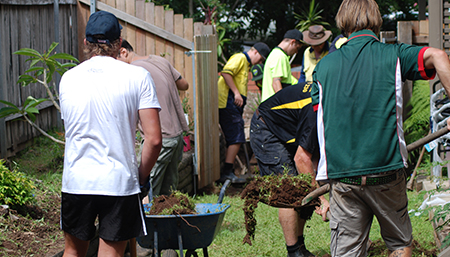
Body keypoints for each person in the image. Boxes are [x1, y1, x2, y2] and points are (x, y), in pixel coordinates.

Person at [311, 0, 450, 256]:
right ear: (377, 21)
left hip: (343, 176)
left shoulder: (323, 68)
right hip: (386, 172)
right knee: (398, 243)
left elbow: (321, 124)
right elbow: (438, 55)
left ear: (343, 23)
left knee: (346, 251)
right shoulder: (393, 55)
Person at [59, 11, 162, 257]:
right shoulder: (138, 76)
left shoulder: (68, 78)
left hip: (76, 182)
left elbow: (71, 131)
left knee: (72, 252)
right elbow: (155, 139)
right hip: (118, 183)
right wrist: (140, 177)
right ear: (119, 43)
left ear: (85, 42)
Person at [250, 82, 329, 257]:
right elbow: (302, 159)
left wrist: (315, 183)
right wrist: (321, 198)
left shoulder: (325, 97)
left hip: (288, 130)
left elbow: (313, 152)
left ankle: (300, 247)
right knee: (290, 190)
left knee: (303, 186)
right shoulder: (314, 108)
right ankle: (293, 252)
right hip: (267, 129)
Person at [118, 39, 189, 197]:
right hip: (177, 137)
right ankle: (166, 222)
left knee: (145, 193)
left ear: (123, 52)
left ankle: (147, 223)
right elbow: (184, 84)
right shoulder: (159, 60)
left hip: (160, 139)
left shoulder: (132, 71)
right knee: (167, 197)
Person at [217, 42, 271, 184]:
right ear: (255, 52)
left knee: (236, 136)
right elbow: (226, 72)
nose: (259, 63)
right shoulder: (240, 58)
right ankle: (227, 173)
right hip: (228, 103)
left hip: (232, 105)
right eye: (260, 59)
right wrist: (236, 93)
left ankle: (228, 171)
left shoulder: (246, 64)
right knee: (237, 137)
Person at [261, 29, 304, 102]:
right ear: (292, 42)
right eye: (297, 48)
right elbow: (276, 82)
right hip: (274, 107)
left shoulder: (275, 53)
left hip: (269, 105)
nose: (296, 52)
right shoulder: (280, 56)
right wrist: (283, 104)